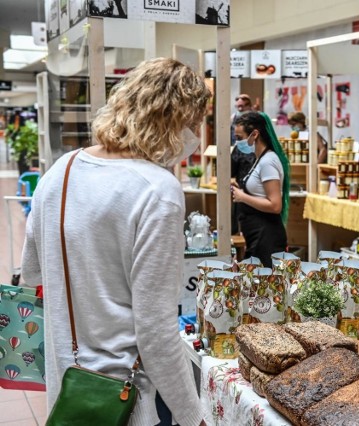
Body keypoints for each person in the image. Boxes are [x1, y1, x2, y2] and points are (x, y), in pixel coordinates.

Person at [20, 58, 209, 426]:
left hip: (70, 390)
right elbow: (156, 334)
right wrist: (194, 417)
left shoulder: (61, 170)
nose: (196, 136)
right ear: (174, 121)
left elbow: (31, 271)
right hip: (126, 400)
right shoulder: (158, 191)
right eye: (195, 124)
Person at [232, 111, 290, 267]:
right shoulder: (259, 160)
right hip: (256, 237)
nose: (237, 143)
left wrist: (242, 197)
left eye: (239, 138)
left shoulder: (268, 162)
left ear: (255, 134)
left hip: (266, 239)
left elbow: (275, 205)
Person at [231, 94, 256, 234]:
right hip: (241, 203)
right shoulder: (239, 149)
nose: (237, 140)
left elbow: (274, 205)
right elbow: (230, 172)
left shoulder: (267, 156)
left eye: (239, 137)